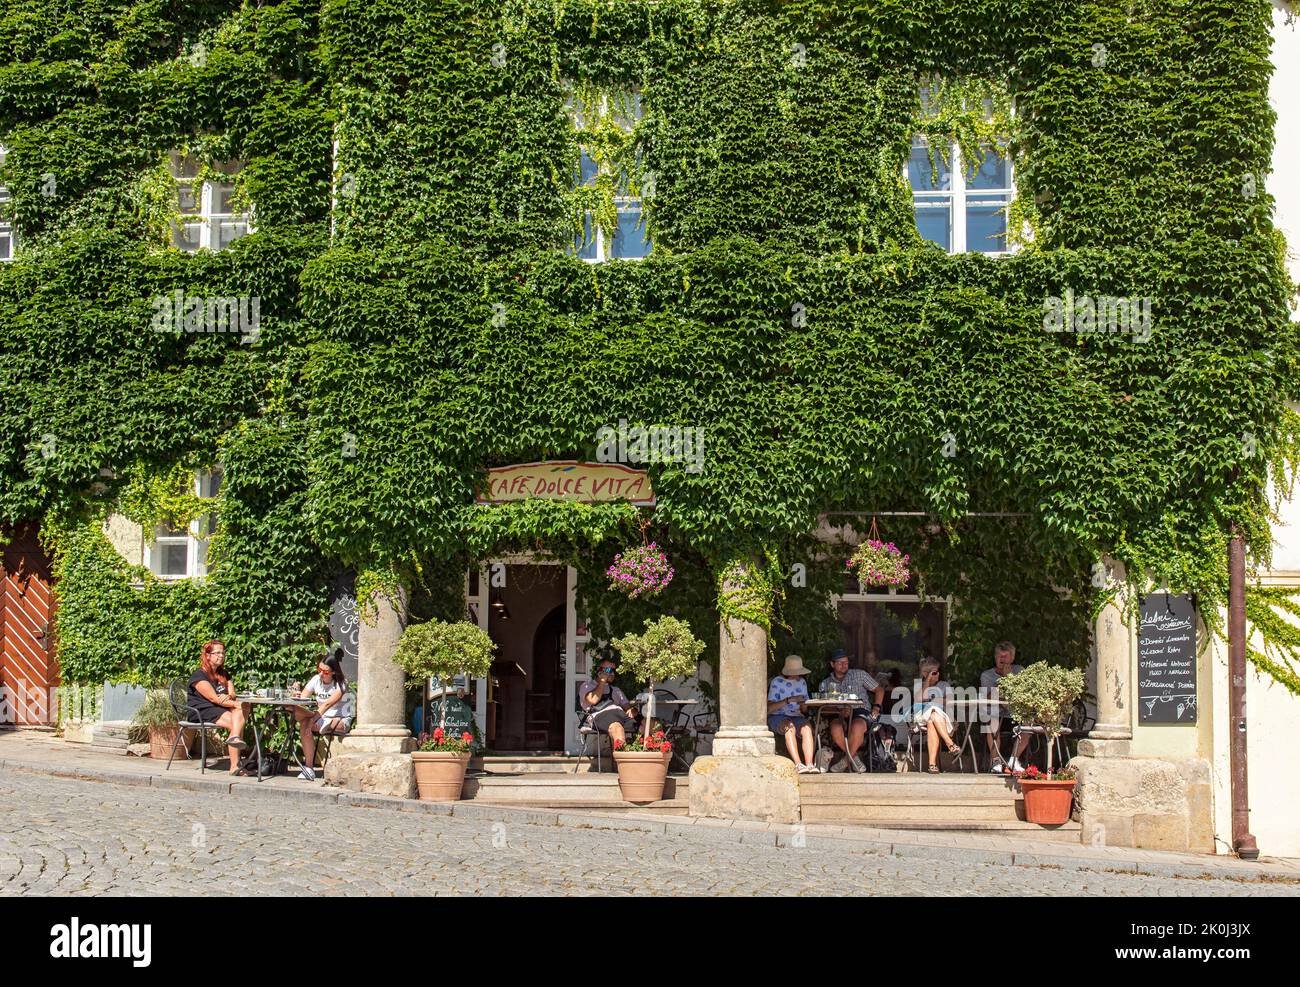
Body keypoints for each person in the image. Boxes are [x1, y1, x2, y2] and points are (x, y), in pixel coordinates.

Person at [186, 639, 250, 775]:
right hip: (201, 710)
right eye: (217, 653)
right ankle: (235, 766)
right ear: (208, 656)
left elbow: (232, 693)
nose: (221, 656)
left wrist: (229, 698)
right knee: (237, 721)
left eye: (223, 653)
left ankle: (235, 763)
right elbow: (213, 698)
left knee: (240, 714)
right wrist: (231, 701)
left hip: (219, 708)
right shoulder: (199, 675)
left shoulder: (223, 674)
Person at [818, 649, 886, 773]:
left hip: (859, 710)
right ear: (832, 664)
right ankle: (853, 758)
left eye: (846, 662)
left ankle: (845, 761)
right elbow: (824, 707)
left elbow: (879, 690)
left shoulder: (859, 674)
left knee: (858, 726)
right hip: (838, 712)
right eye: (840, 663)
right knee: (835, 727)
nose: (844, 665)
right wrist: (839, 712)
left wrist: (876, 707)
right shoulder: (825, 684)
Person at [291, 654, 353, 781]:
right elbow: (304, 699)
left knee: (308, 722)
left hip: (339, 718)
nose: (321, 674)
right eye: (319, 670)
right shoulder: (316, 679)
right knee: (300, 718)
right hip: (320, 717)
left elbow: (327, 704)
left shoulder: (341, 684)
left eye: (325, 671)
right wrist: (297, 695)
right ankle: (309, 768)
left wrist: (312, 719)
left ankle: (324, 725)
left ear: (334, 672)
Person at [980, 641, 1028, 773]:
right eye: (999, 656)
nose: (1002, 660)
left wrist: (1010, 678)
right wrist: (1004, 681)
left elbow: (1022, 695)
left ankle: (1013, 759)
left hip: (1014, 714)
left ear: (1012, 658)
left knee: (1029, 724)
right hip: (995, 714)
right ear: (995, 658)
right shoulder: (987, 675)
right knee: (991, 723)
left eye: (1005, 656)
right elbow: (989, 697)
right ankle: (996, 761)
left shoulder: (1020, 671)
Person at [768, 655, 820, 773]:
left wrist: (804, 705)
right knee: (789, 726)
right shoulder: (777, 682)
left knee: (807, 728)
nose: (798, 675)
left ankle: (809, 764)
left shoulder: (802, 682)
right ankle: (798, 764)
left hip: (796, 716)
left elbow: (804, 711)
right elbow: (769, 708)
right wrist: (788, 700)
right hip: (777, 716)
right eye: (795, 672)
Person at [911, 657, 959, 773]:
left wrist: (935, 700)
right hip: (920, 716)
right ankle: (950, 743)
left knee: (932, 718)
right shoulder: (919, 685)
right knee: (932, 710)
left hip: (940, 718)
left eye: (937, 671)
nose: (938, 674)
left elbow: (950, 701)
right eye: (935, 672)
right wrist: (927, 681)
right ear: (925, 673)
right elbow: (918, 699)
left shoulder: (944, 685)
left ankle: (932, 765)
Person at [579, 657, 640, 748]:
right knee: (617, 727)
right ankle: (623, 760)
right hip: (599, 716)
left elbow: (627, 707)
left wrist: (633, 711)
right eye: (608, 670)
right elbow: (593, 700)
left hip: (619, 714)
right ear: (599, 671)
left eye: (613, 671)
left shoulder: (616, 690)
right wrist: (602, 681)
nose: (612, 673)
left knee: (647, 724)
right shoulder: (587, 686)